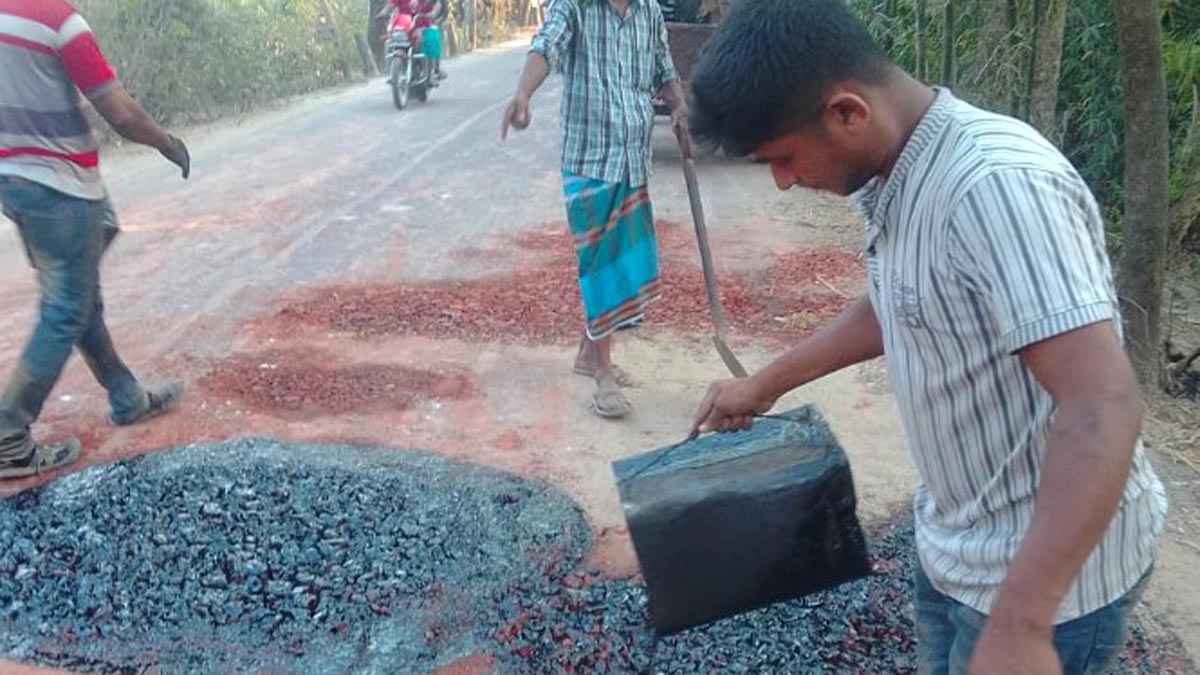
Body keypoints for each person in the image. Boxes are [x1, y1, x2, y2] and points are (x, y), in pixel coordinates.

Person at [686, 1, 1167, 673]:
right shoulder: (895, 172)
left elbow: (1101, 404)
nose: (785, 181)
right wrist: (765, 383)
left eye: (784, 158)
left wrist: (1023, 620)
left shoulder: (996, 188)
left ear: (848, 112)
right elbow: (899, 304)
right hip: (958, 549)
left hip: (1049, 588)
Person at [0, 0, 191, 479]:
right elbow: (120, 113)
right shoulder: (57, 20)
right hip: (60, 183)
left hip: (15, 180)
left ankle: (127, 397)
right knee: (67, 307)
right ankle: (7, 436)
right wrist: (167, 143)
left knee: (78, 295)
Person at [500, 0, 687, 419]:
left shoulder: (649, 11)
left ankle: (589, 354)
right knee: (601, 266)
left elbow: (663, 68)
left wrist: (678, 106)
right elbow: (546, 47)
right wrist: (523, 94)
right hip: (589, 160)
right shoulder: (574, 6)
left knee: (624, 264)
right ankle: (603, 372)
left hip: (632, 159)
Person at [378, 0, 446, 80]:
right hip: (404, 26)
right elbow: (390, 5)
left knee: (432, 37)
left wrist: (432, 14)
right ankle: (389, 70)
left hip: (422, 25)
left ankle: (435, 69)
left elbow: (436, 6)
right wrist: (383, 13)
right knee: (389, 41)